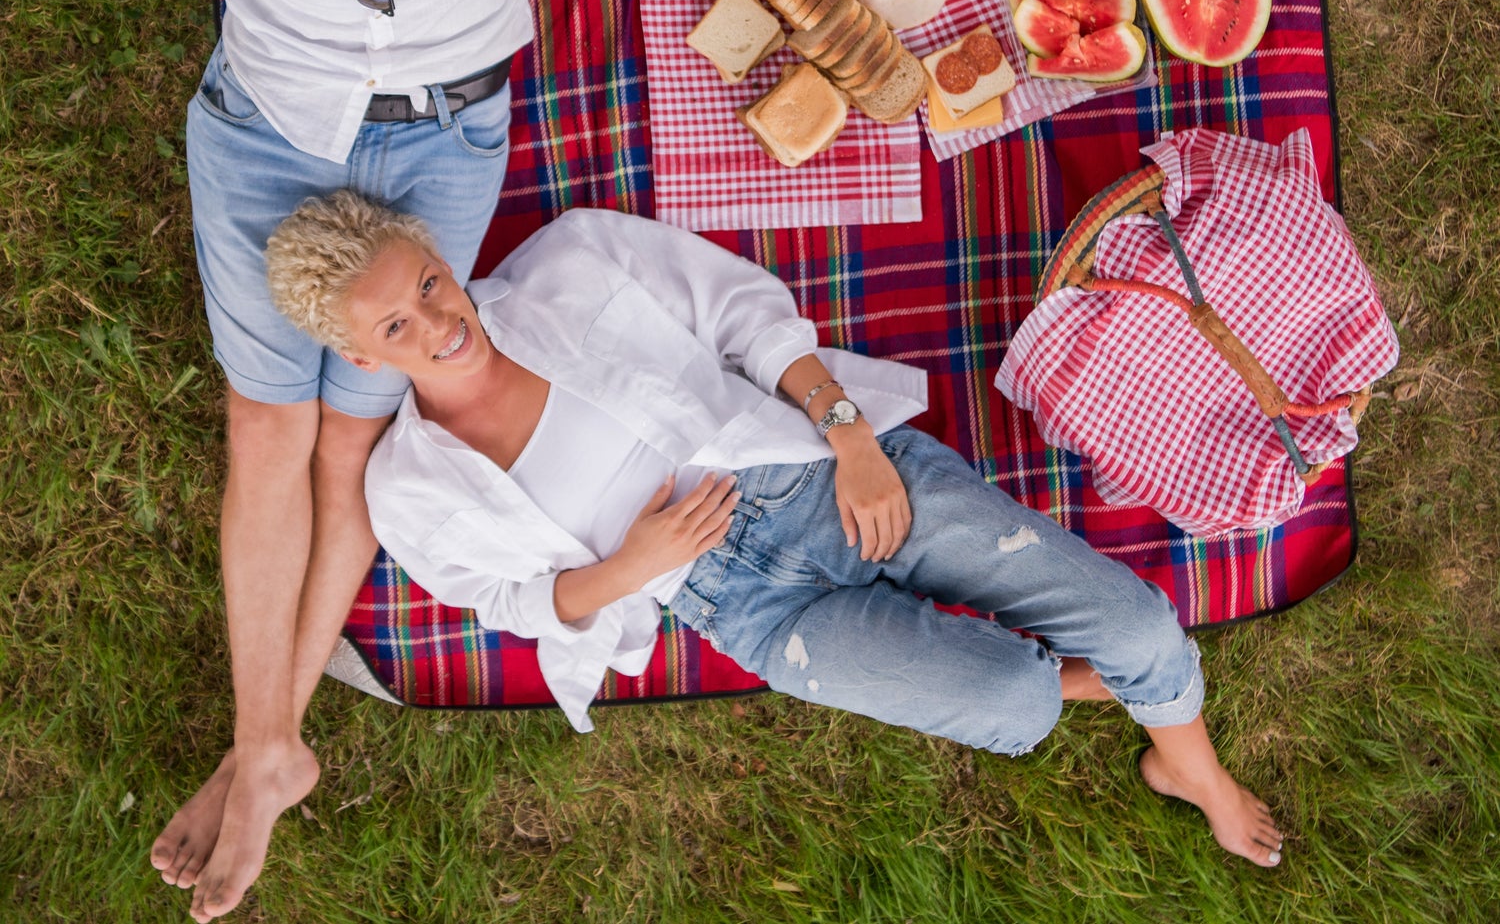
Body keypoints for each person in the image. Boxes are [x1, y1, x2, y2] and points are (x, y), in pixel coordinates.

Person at [82, 0, 671, 921]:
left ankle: (267, 748)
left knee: (355, 430)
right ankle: (267, 741)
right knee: (268, 428)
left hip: (441, 134)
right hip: (267, 137)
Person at [265, 191, 1287, 873]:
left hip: (809, 476)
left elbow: (747, 318)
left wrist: (850, 437)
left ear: (441, 257)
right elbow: (513, 603)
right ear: (357, 357)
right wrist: (631, 567)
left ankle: (1190, 765)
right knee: (1007, 698)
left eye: (428, 284)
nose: (438, 322)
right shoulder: (405, 485)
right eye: (395, 325)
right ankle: (1070, 678)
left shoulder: (570, 257)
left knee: (1146, 627)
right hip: (739, 601)